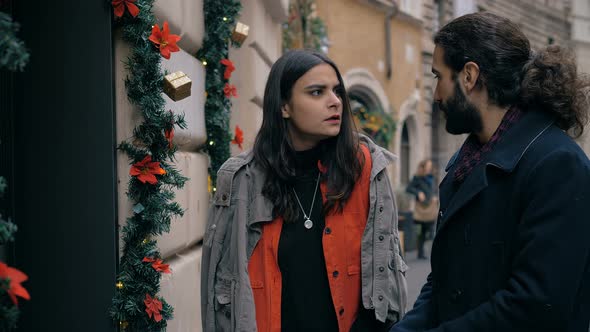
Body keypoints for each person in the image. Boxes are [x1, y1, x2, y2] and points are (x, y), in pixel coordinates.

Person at [391, 12, 590, 332]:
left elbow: (535, 305)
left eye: (437, 76)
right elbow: (443, 280)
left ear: (469, 76)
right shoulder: (464, 162)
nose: (437, 94)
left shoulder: (557, 164)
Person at [201, 49, 407, 332]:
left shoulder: (364, 170)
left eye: (336, 91)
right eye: (316, 92)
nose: (335, 102)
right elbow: (219, 288)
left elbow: (387, 272)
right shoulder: (243, 180)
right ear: (284, 106)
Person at [405, 159, 437, 259]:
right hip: (422, 208)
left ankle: (428, 251)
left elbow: (434, 190)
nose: (429, 168)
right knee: (423, 230)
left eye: (430, 166)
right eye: (427, 165)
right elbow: (409, 188)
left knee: (431, 229)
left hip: (431, 207)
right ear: (423, 167)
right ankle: (421, 252)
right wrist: (418, 192)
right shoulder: (417, 178)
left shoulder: (432, 178)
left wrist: (435, 196)